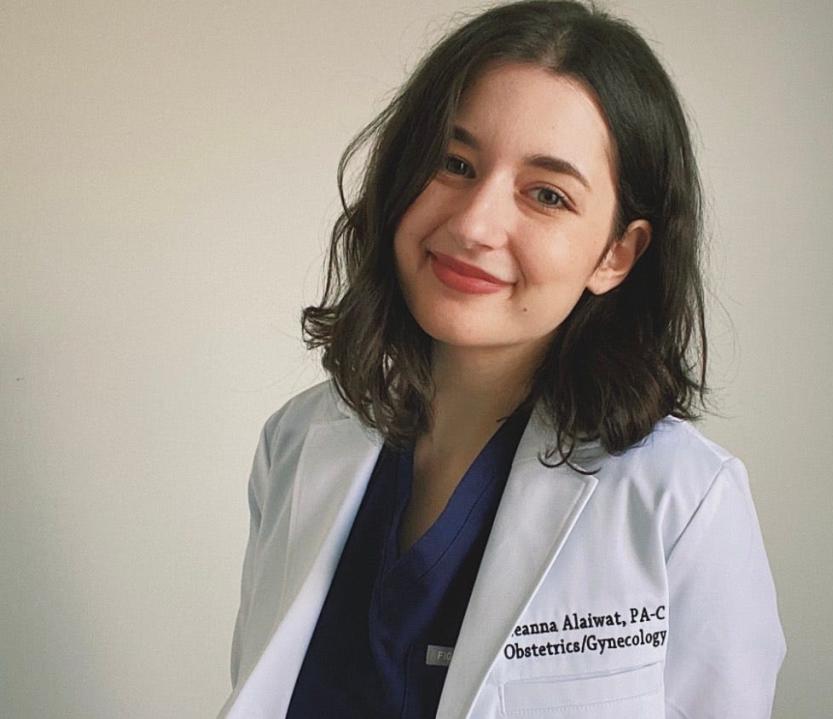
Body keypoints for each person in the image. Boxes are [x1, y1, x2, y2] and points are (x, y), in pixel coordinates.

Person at [218, 1, 786, 717]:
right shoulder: (296, 445)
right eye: (455, 163)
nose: (474, 223)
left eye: (546, 194)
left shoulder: (682, 504)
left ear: (617, 253)